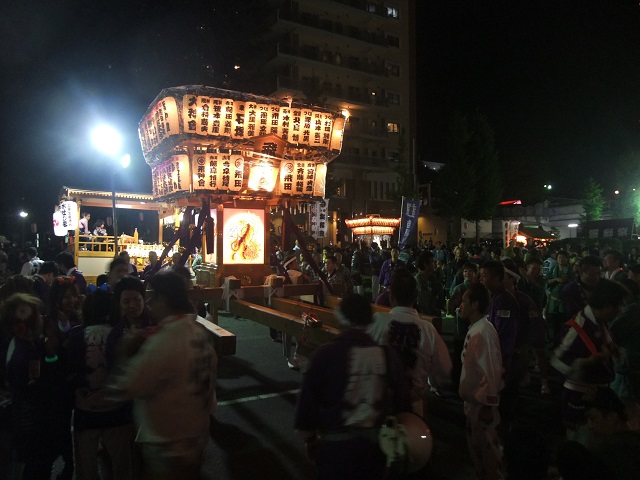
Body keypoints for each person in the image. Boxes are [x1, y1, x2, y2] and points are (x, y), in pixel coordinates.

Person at [110, 271, 217, 479]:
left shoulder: (165, 339)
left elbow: (131, 384)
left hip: (168, 443)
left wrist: (126, 351)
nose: (150, 303)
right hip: (195, 434)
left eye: (153, 297)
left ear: (164, 300)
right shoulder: (197, 332)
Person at [294, 294, 411, 480]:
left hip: (336, 450)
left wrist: (309, 439)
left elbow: (306, 409)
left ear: (341, 316)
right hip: (377, 450)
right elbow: (403, 402)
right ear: (370, 319)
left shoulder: (325, 355)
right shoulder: (387, 355)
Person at [67, 289, 135, 480]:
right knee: (121, 467)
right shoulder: (122, 334)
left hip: (86, 409)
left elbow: (71, 371)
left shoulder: (77, 334)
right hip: (118, 410)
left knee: (86, 468)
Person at [551, 279, 627, 445]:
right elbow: (557, 364)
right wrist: (586, 362)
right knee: (582, 445)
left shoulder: (600, 323)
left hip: (597, 396)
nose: (621, 310)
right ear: (606, 305)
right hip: (579, 401)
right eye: (619, 306)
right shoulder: (577, 328)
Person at [368, 268, 452, 416]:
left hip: (381, 404)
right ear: (416, 297)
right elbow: (444, 370)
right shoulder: (427, 329)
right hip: (413, 405)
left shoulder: (377, 321)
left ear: (391, 296)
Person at [458, 283, 505, 480]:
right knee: (479, 453)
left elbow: (492, 371)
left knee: (488, 455)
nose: (460, 306)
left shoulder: (483, 332)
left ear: (475, 304)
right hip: (474, 405)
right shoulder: (477, 328)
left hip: (481, 407)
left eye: (464, 301)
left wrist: (487, 404)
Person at [448, 262, 479, 387]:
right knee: (459, 355)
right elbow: (451, 306)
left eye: (470, 271)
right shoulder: (459, 288)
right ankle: (457, 382)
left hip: (474, 326)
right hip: (460, 327)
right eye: (465, 271)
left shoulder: (478, 289)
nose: (467, 274)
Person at [414, 251, 445, 316]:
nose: (435, 264)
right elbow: (424, 305)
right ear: (425, 264)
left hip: (432, 314)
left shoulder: (432, 278)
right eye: (432, 262)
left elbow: (440, 291)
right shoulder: (419, 280)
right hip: (423, 316)